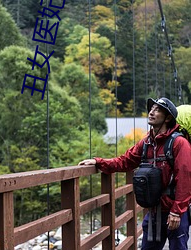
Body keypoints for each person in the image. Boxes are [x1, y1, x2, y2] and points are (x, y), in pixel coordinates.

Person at [78, 97, 191, 250]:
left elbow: (185, 178)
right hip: (154, 211)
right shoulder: (146, 143)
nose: (151, 112)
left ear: (168, 118)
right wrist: (98, 162)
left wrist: (177, 212)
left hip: (174, 211)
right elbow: (125, 161)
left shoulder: (179, 143)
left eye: (157, 110)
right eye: (151, 109)